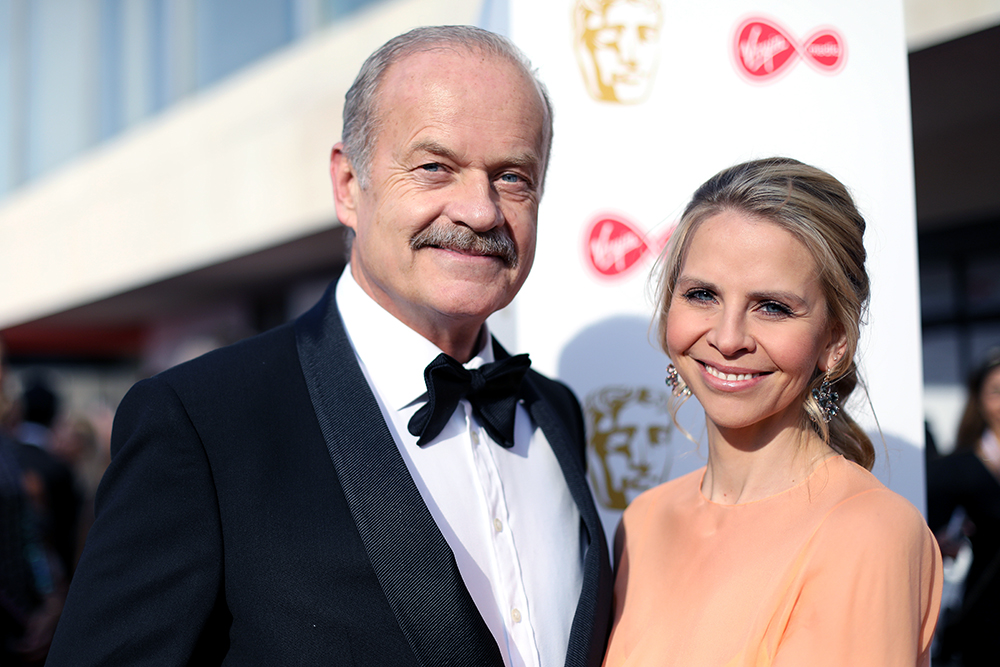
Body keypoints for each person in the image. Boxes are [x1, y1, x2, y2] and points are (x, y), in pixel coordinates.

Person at [46, 25, 612, 667]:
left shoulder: (555, 414)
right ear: (347, 184)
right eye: (434, 167)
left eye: (512, 177)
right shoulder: (202, 423)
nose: (480, 210)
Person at [602, 157, 942, 666]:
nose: (728, 337)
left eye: (772, 307)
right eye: (701, 295)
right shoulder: (643, 522)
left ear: (834, 343)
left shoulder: (869, 532)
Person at [927, 349, 1000, 666]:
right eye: (997, 391)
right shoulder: (956, 469)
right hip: (987, 614)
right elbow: (934, 534)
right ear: (980, 400)